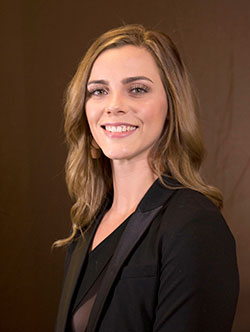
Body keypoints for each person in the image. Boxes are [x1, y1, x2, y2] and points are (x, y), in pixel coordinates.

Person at [54, 24, 239, 332]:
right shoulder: (86, 226)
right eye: (99, 91)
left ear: (172, 105)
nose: (114, 106)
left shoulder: (194, 224)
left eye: (137, 89)